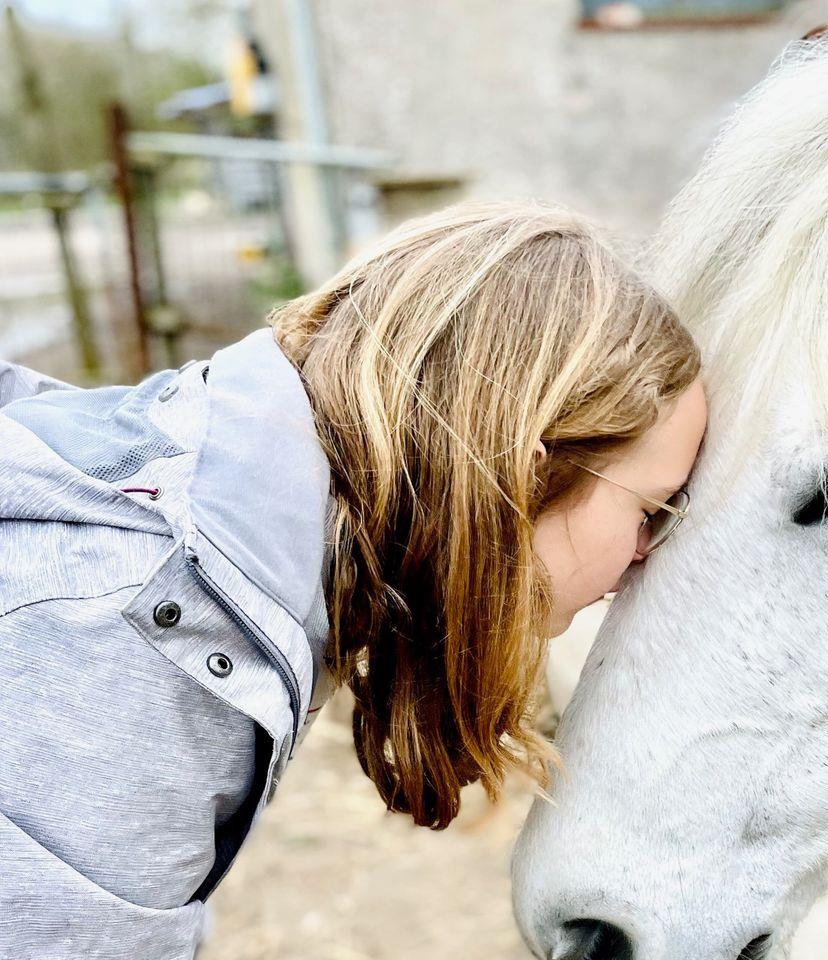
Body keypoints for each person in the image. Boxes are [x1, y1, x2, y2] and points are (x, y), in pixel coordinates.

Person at [0, 201, 706, 958]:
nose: (647, 552)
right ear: (527, 470)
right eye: (652, 510)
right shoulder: (122, 642)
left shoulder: (245, 561)